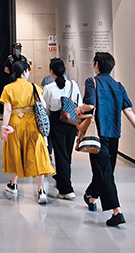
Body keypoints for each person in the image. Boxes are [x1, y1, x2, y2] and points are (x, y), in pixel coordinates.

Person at [76, 52, 135, 227]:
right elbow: (128, 110)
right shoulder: (118, 86)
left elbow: (90, 105)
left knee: (104, 172)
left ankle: (117, 211)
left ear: (97, 65)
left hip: (98, 134)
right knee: (105, 170)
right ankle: (92, 198)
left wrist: (79, 109)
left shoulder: (92, 82)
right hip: (114, 133)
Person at [0, 60, 55, 204]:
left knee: (14, 152)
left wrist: (4, 128)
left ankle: (13, 185)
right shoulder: (34, 87)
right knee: (37, 154)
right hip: (32, 124)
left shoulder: (8, 88)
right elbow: (43, 105)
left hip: (14, 124)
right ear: (24, 72)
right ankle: (41, 190)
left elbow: (7, 109)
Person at [42, 57, 81, 200]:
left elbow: (45, 109)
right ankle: (62, 181)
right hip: (71, 122)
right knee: (67, 155)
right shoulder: (73, 85)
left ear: (51, 71)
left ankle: (66, 189)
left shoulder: (48, 88)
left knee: (60, 155)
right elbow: (79, 104)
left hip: (57, 122)